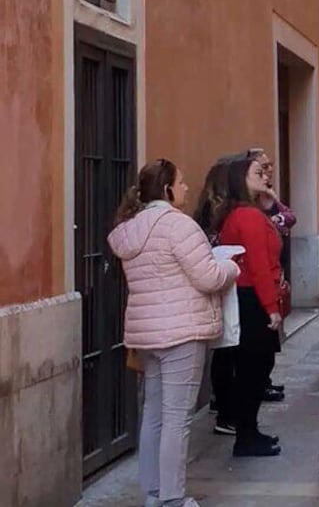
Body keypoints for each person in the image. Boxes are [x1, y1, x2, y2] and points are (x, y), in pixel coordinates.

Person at [108, 159, 240, 507]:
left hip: (147, 333)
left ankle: (153, 492)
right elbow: (208, 277)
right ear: (166, 189)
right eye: (180, 183)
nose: (185, 188)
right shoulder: (178, 226)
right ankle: (172, 498)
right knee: (177, 419)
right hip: (182, 330)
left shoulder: (131, 228)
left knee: (153, 413)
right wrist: (229, 266)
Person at [217, 157, 285, 457]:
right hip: (252, 298)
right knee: (254, 368)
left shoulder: (247, 213)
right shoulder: (248, 217)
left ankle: (249, 430)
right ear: (240, 180)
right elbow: (258, 263)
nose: (265, 175)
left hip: (248, 296)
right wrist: (271, 307)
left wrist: (270, 208)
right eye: (257, 172)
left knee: (253, 367)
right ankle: (245, 434)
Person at [194, 155, 244, 436]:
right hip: (222, 281)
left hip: (218, 282)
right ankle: (225, 410)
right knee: (227, 349)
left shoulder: (205, 210)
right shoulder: (222, 213)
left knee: (224, 350)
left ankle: (221, 403)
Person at [247, 148, 296, 403]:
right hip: (256, 286)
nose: (269, 172)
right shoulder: (248, 209)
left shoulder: (268, 198)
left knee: (268, 344)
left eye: (270, 166)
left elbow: (290, 216)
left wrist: (275, 208)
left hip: (273, 277)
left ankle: (263, 383)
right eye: (262, 168)